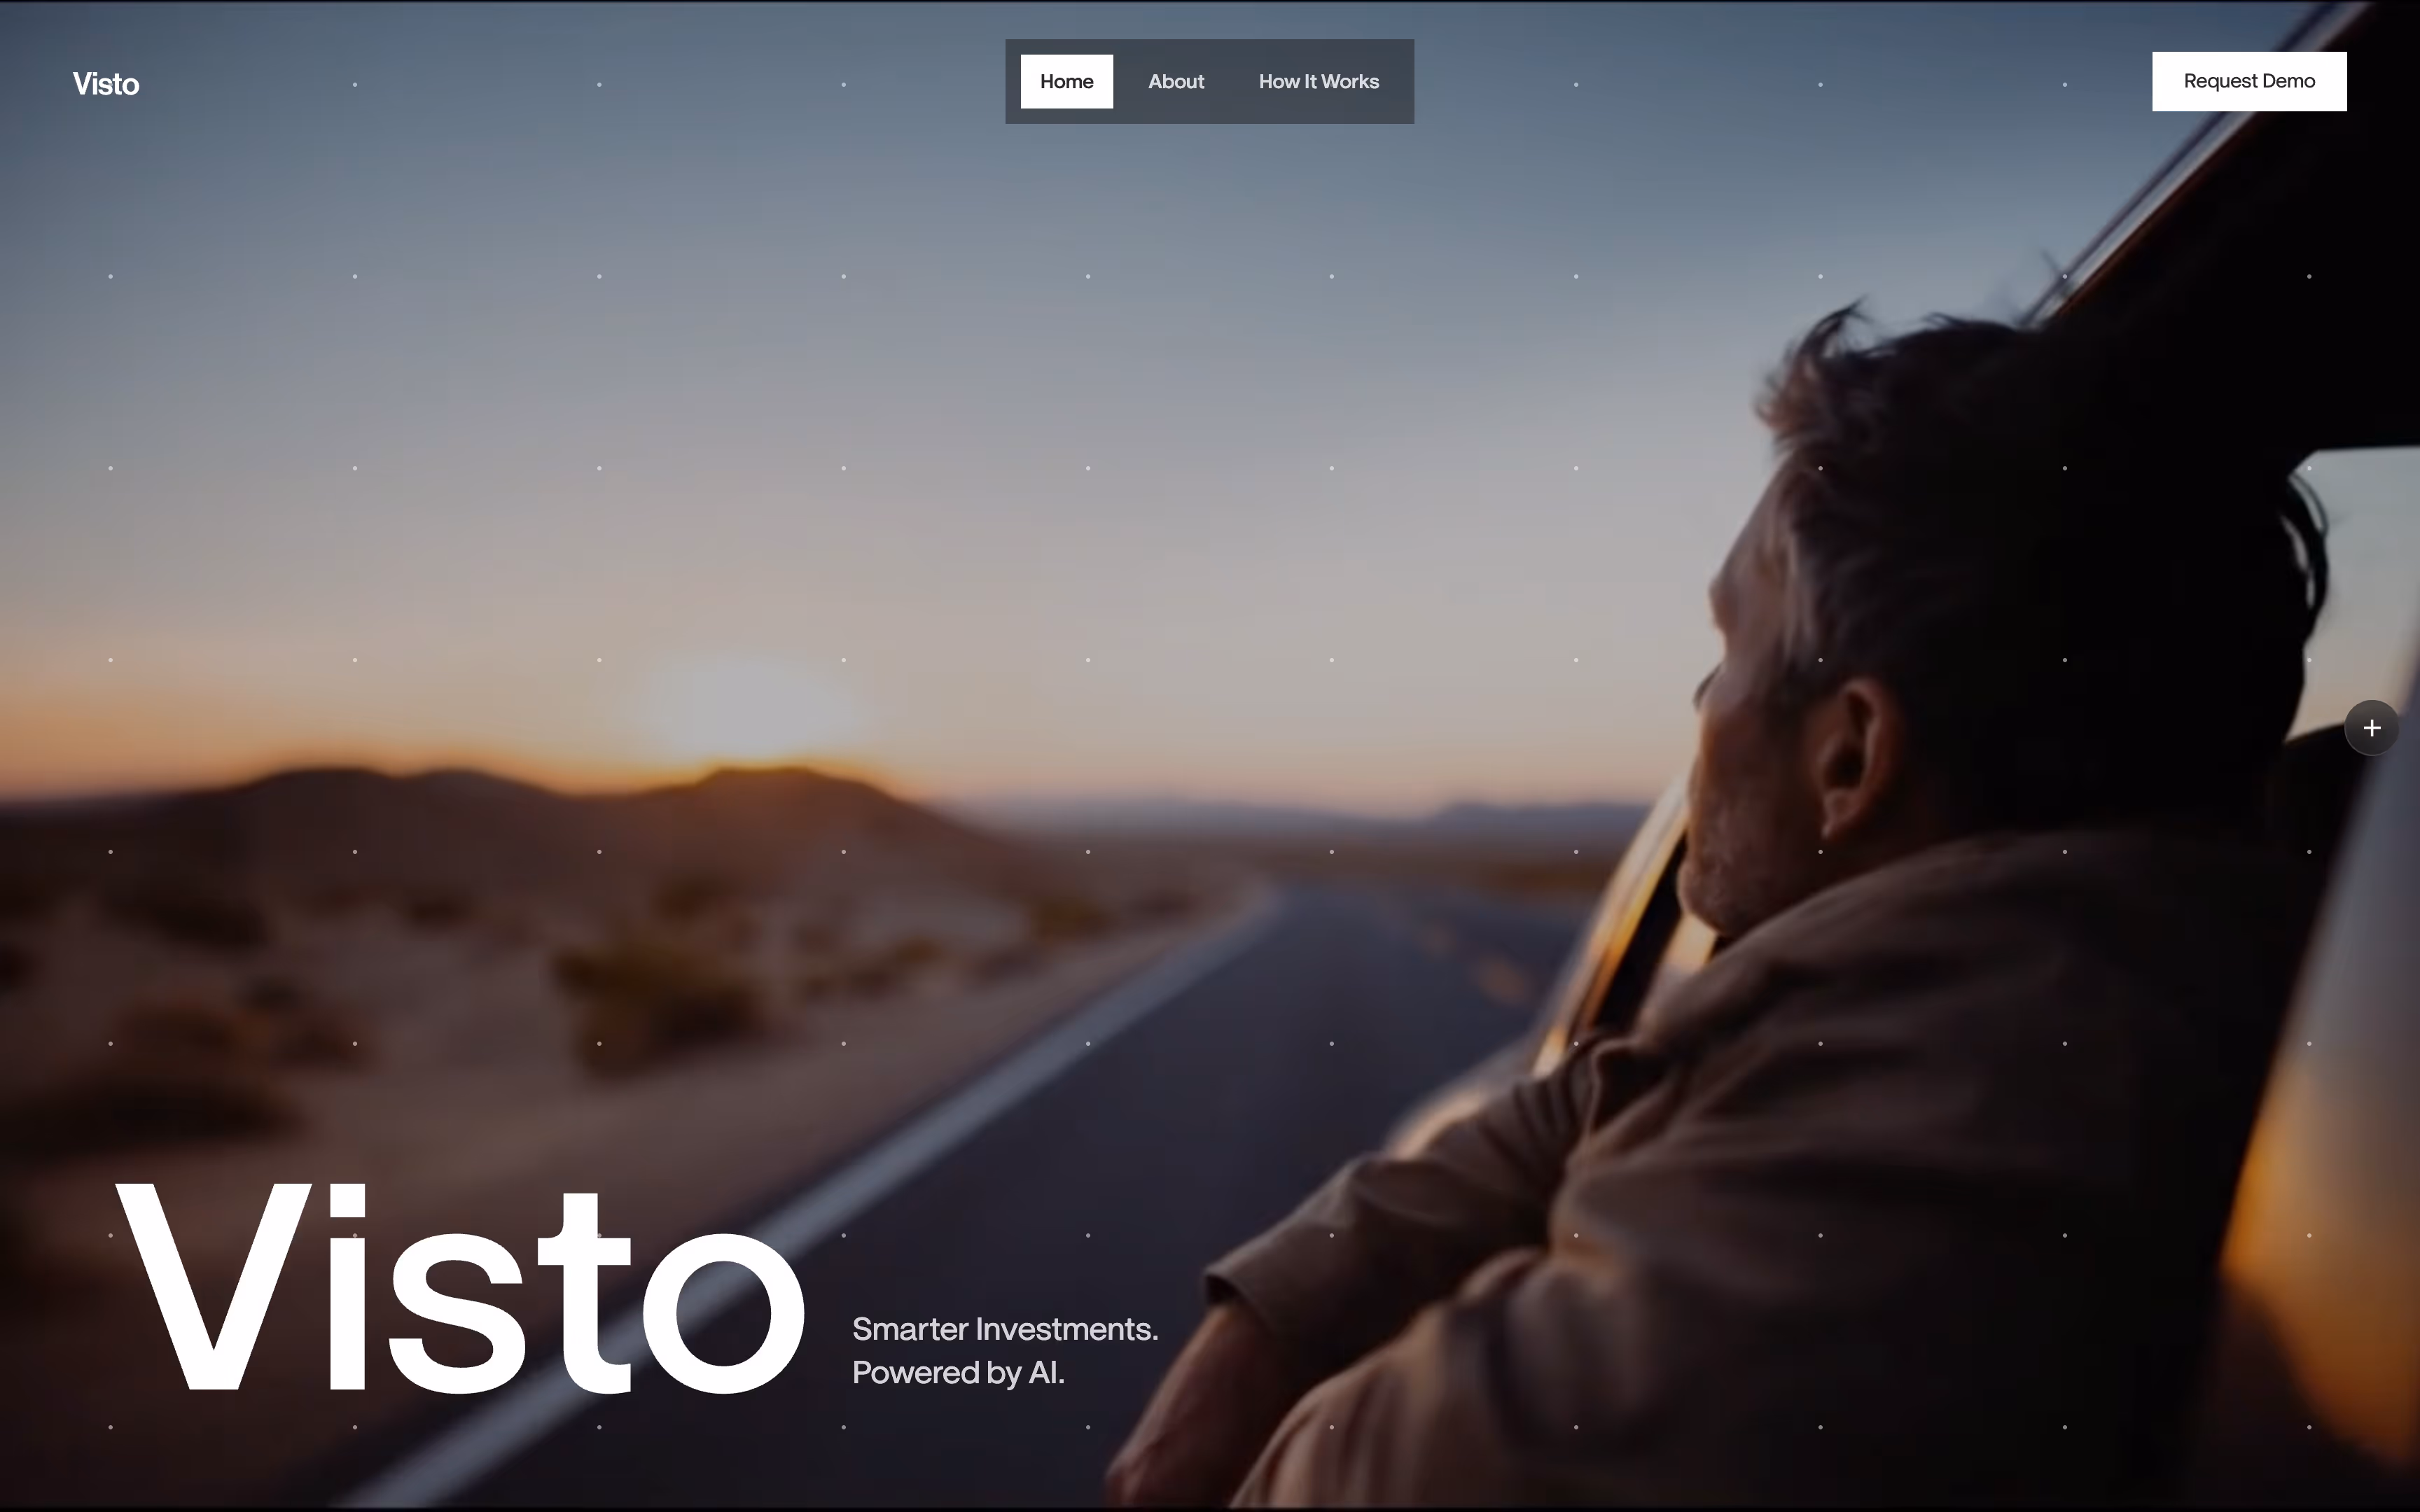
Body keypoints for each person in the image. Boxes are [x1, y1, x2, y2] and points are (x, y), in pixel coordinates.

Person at [1106, 303, 2333, 1506]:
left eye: (1728, 646)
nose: (1704, 699)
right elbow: (1605, 1090)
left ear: (1850, 760)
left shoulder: (1943, 1115)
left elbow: (1435, 1465)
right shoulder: (2140, 966)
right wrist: (1279, 1311)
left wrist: (1262, 1418)